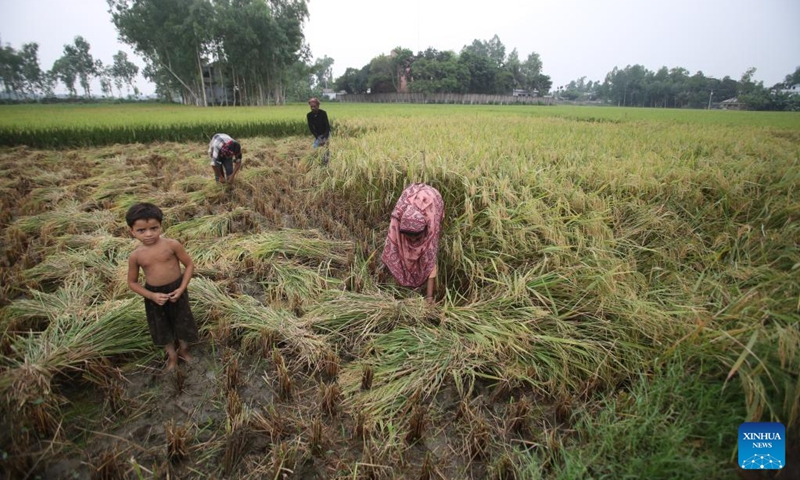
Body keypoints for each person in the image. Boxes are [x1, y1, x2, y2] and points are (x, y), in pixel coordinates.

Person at [126, 202, 198, 372]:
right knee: (162, 326)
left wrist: (181, 288)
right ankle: (172, 356)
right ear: (132, 231)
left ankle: (184, 350)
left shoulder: (172, 245)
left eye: (154, 228)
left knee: (183, 320)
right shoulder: (135, 256)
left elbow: (189, 265)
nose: (149, 234)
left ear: (161, 226)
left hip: (177, 290)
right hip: (154, 296)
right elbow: (132, 282)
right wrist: (151, 296)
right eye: (141, 230)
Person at [381, 183, 444, 304]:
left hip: (432, 199)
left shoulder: (432, 224)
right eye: (408, 236)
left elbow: (431, 260)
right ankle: (399, 284)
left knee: (428, 252)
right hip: (410, 204)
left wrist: (429, 298)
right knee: (398, 248)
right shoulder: (397, 221)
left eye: (415, 237)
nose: (412, 240)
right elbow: (392, 250)